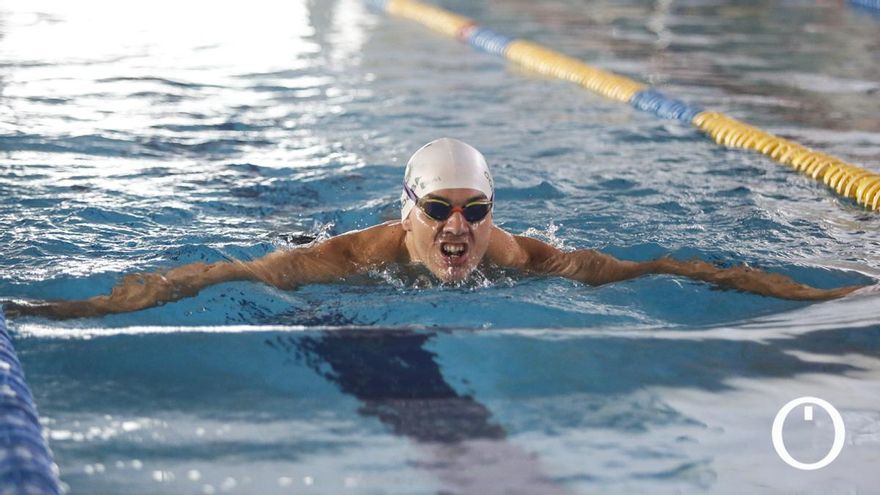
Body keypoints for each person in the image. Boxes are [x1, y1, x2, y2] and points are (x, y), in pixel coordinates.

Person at [3, 138, 869, 320]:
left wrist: (830, 296)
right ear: (408, 212)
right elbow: (211, 272)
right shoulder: (346, 258)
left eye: (477, 210)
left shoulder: (523, 256)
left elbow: (672, 265)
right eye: (440, 209)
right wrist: (74, 312)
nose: (460, 226)